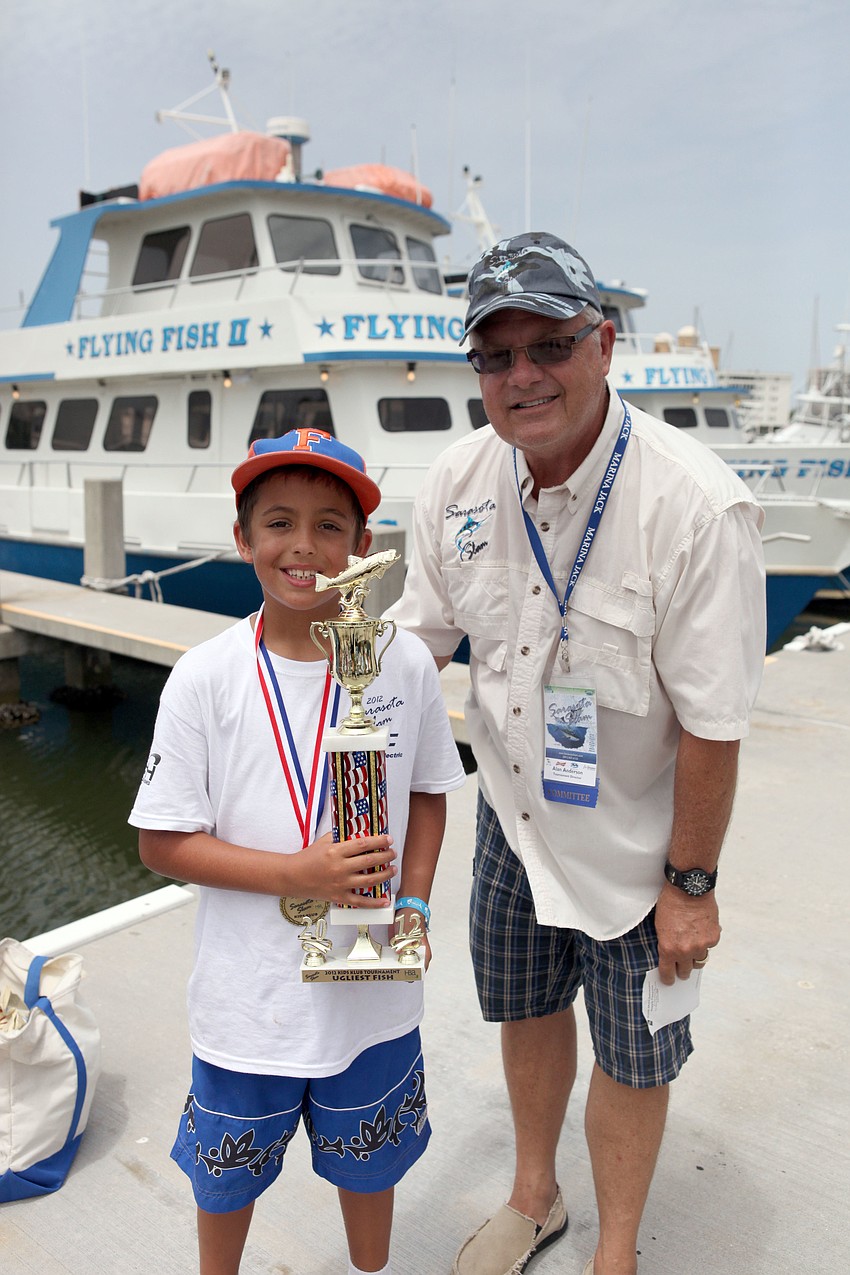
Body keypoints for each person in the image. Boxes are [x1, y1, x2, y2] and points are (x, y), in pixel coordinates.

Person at [386, 232, 766, 1275]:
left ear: (603, 345)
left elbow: (714, 721)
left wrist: (691, 883)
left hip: (642, 847)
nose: (522, 376)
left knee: (635, 1057)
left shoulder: (692, 504)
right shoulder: (457, 479)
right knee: (523, 1007)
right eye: (495, 355)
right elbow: (416, 655)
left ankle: (619, 1251)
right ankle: (534, 1195)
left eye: (548, 344)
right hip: (512, 817)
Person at [129, 428, 466, 1275]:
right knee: (226, 1187)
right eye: (278, 522)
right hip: (249, 1003)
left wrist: (415, 901)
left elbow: (428, 792)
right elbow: (161, 841)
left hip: (372, 987)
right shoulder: (205, 676)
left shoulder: (401, 665)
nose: (304, 546)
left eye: (329, 525)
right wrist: (296, 874)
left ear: (364, 549)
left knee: (372, 1163)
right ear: (242, 539)